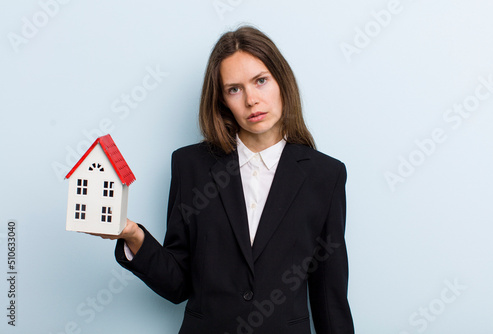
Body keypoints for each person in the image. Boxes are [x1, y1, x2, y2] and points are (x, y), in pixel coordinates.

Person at [95, 26, 354, 334]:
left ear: (281, 82)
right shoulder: (190, 165)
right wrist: (134, 236)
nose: (251, 100)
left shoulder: (325, 175)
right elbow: (178, 284)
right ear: (221, 101)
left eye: (260, 81)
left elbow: (329, 296)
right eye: (234, 89)